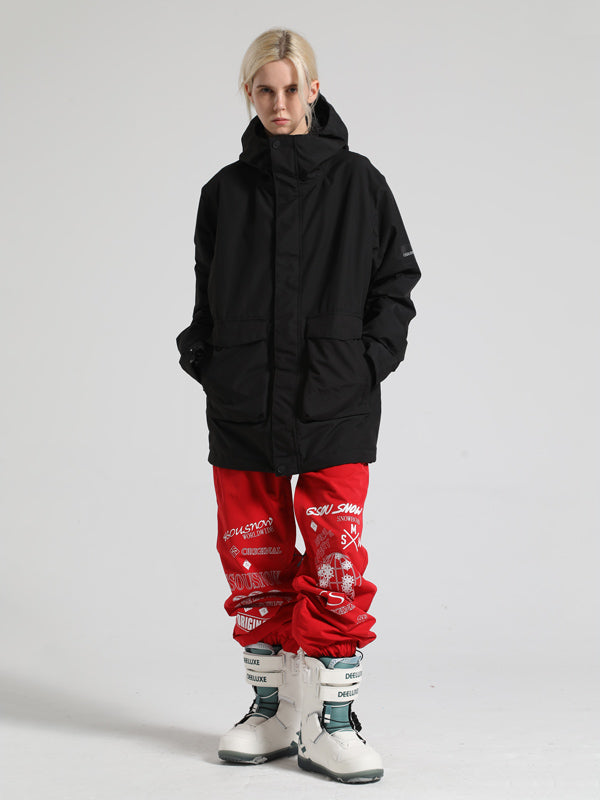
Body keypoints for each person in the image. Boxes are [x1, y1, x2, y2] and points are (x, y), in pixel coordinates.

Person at [176, 27, 421, 784]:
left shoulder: (359, 182)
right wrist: (209, 361)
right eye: (264, 90)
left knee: (335, 557)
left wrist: (365, 363)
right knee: (252, 557)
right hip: (244, 400)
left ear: (313, 89)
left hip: (335, 399)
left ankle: (332, 718)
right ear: (249, 94)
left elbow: (396, 285)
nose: (278, 103)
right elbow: (207, 296)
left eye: (291, 88)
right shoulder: (224, 193)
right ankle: (275, 710)